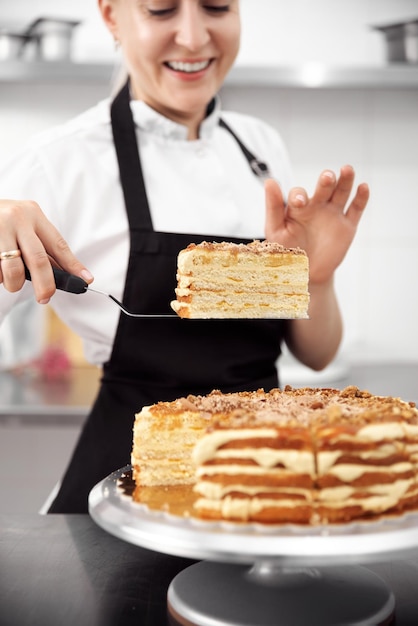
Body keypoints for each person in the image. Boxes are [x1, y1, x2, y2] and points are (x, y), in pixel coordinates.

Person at [0, 0, 369, 515]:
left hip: (263, 477)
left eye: (216, 7)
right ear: (111, 17)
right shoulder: (60, 162)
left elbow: (317, 355)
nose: (194, 38)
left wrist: (318, 279)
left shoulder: (259, 147)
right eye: (161, 10)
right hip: (132, 480)